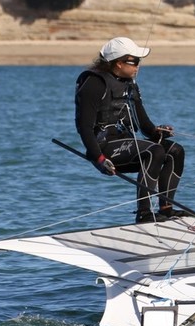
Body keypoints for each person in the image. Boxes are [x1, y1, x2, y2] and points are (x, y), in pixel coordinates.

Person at [75, 37, 186, 224]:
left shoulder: (130, 85)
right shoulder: (94, 83)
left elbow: (143, 124)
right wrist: (99, 158)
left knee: (175, 151)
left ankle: (166, 209)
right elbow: (84, 127)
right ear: (118, 63)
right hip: (104, 149)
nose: (138, 66)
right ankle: (144, 214)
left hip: (127, 144)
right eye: (134, 61)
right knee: (155, 151)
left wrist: (157, 133)